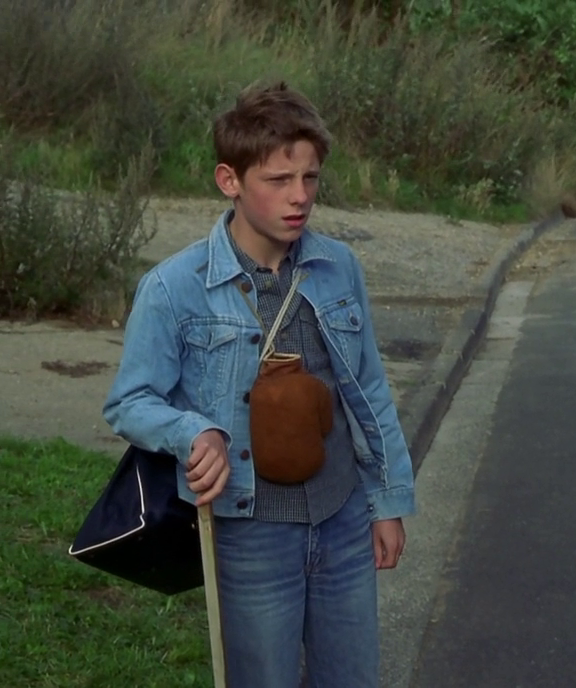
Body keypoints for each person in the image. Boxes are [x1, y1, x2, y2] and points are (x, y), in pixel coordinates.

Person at [102, 81, 415, 687]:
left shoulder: (338, 267)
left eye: (311, 178)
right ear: (230, 180)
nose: (300, 197)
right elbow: (130, 402)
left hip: (343, 519)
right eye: (278, 180)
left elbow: (370, 391)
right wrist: (193, 432)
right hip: (249, 533)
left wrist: (388, 502)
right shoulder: (174, 287)